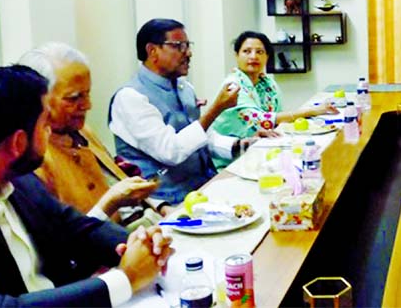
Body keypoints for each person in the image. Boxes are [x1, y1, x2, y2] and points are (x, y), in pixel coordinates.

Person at [0, 65, 173, 306]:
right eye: (45, 123)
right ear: (18, 142)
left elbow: (74, 226)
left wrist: (140, 243)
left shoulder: (19, 180)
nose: (49, 132)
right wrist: (125, 278)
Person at [18, 42, 168, 225]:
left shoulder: (80, 131)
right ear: (40, 100)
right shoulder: (32, 160)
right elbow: (61, 243)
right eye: (74, 98)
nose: (87, 105)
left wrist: (161, 207)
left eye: (87, 94)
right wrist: (110, 203)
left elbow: (119, 179)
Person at [109, 18, 240, 204]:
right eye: (179, 46)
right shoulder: (130, 98)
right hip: (165, 204)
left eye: (188, 45)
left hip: (203, 189)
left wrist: (241, 145)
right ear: (152, 51)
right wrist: (216, 110)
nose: (189, 53)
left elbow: (200, 140)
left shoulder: (184, 88)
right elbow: (171, 151)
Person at [209, 31, 338, 169]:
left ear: (267, 56)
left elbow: (278, 120)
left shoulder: (267, 82)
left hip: (263, 149)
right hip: (234, 159)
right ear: (237, 55)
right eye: (247, 51)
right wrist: (313, 111)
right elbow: (263, 120)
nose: (253, 56)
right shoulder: (233, 85)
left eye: (259, 52)